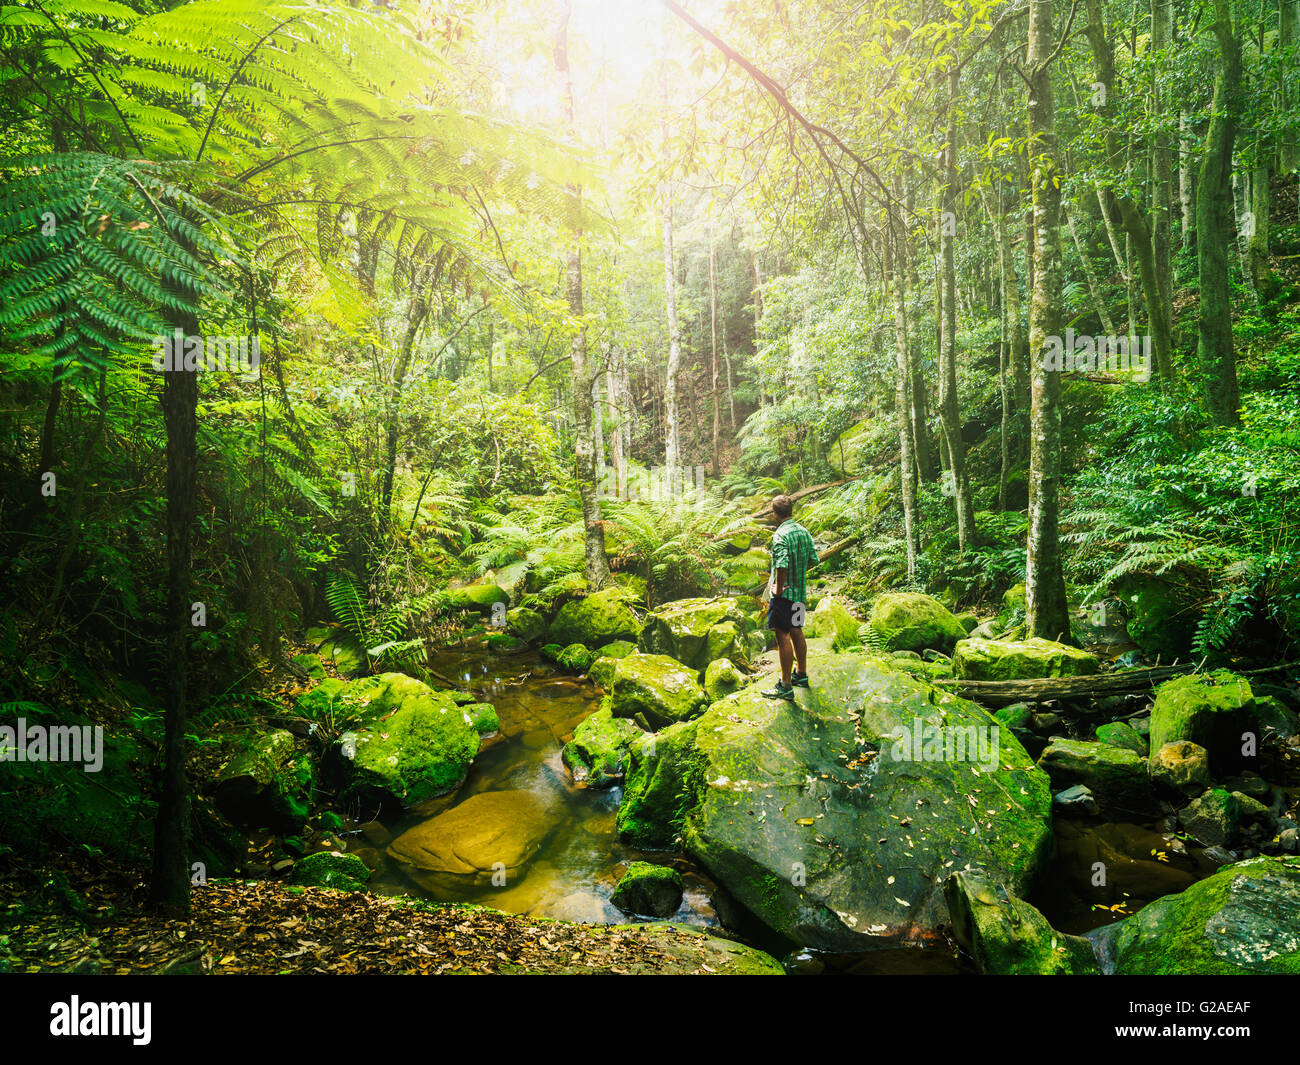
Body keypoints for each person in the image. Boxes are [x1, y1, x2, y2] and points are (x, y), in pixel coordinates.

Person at [762, 494, 817, 701]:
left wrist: (778, 588)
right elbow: (813, 559)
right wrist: (798, 574)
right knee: (796, 629)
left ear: (775, 514)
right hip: (799, 593)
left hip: (784, 596)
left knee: (782, 635)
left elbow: (782, 564)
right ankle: (801, 674)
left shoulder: (780, 535)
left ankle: (785, 685)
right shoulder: (803, 531)